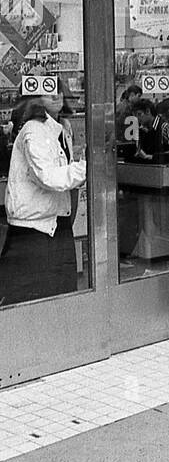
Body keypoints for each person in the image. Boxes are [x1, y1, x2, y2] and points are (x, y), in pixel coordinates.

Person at [0, 92, 87, 306]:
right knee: (33, 302)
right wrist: (87, 166)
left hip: (55, 223)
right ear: (35, 97)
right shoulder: (34, 129)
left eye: (58, 89)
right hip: (35, 230)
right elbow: (48, 177)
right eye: (47, 90)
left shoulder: (62, 128)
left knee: (59, 299)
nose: (56, 95)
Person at [129, 99, 169, 164]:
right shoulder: (141, 129)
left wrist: (151, 157)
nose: (137, 118)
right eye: (135, 116)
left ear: (148, 111)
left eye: (139, 114)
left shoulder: (164, 128)